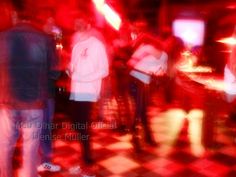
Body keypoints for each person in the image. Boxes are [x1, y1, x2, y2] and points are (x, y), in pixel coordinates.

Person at [0, 1, 60, 177]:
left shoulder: (3, 37)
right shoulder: (45, 38)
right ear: (32, 17)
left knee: (4, 146)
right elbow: (55, 74)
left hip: (8, 101)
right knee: (30, 150)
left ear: (14, 14)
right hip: (35, 102)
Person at [67, 17, 109, 172]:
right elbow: (73, 65)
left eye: (80, 22)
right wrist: (69, 68)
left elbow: (104, 70)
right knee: (76, 122)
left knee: (83, 125)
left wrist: (82, 77)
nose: (77, 25)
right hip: (75, 89)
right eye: (75, 23)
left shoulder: (96, 45)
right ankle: (84, 152)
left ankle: (88, 157)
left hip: (88, 89)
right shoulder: (76, 45)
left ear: (88, 25)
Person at [127, 34, 168, 152]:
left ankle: (148, 137)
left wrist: (157, 72)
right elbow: (131, 63)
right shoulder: (147, 48)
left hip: (142, 83)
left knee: (142, 110)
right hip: (136, 82)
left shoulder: (161, 54)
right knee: (140, 110)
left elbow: (161, 72)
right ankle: (135, 136)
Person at [37, 14, 62, 172]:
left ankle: (41, 161)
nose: (52, 27)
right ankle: (43, 160)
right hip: (45, 92)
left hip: (34, 91)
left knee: (39, 128)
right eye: (50, 23)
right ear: (43, 23)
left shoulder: (35, 40)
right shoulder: (49, 41)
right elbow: (55, 72)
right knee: (44, 127)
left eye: (54, 23)